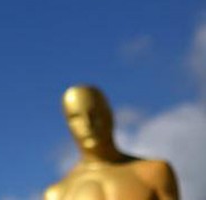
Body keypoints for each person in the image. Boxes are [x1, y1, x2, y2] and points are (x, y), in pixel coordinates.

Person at [45, 85, 178, 200]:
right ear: (68, 124)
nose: (88, 123)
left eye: (94, 114)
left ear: (109, 115)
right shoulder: (57, 195)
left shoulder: (155, 173)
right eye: (75, 117)